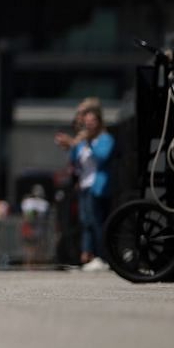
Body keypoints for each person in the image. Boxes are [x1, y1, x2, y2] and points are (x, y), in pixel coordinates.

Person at [56, 98, 114, 270]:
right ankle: (88, 254)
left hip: (97, 186)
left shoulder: (104, 139)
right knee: (86, 221)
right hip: (84, 186)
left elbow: (102, 157)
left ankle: (102, 256)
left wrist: (87, 142)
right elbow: (76, 161)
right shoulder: (83, 141)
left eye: (91, 121)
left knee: (96, 222)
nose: (87, 125)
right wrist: (71, 145)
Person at [20, 183, 52, 267]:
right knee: (30, 246)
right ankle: (29, 263)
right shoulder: (29, 202)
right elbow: (26, 215)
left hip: (39, 228)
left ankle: (35, 263)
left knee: (37, 246)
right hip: (30, 227)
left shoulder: (43, 203)